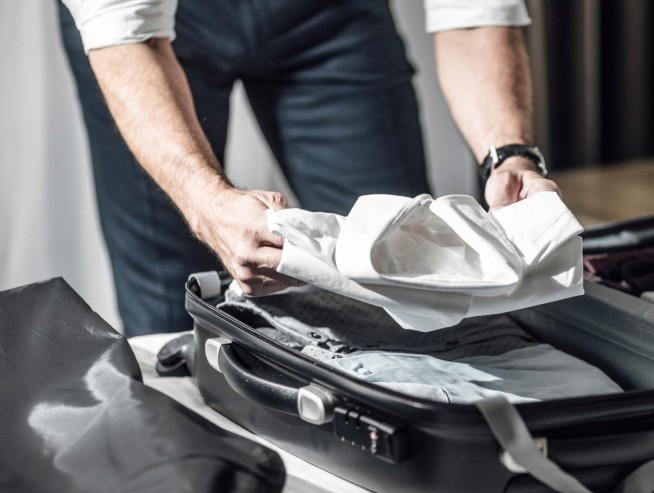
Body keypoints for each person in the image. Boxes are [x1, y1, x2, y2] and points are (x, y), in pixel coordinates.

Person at [57, 0, 559, 336]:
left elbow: (471, 14)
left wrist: (509, 155)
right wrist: (209, 206)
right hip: (150, 30)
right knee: (172, 304)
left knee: (406, 271)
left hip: (328, 13)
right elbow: (129, 39)